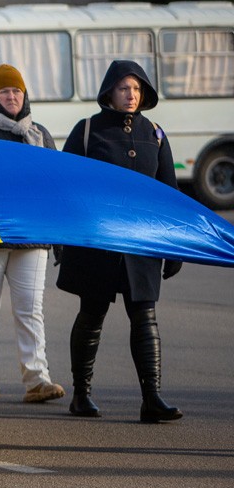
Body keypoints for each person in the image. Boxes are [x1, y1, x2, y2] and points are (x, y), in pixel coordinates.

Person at [57, 60, 184, 423]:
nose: (132, 95)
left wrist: (173, 246)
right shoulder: (87, 131)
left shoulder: (155, 134)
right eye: (125, 88)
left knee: (145, 316)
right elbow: (66, 187)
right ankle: (81, 395)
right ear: (109, 92)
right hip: (96, 242)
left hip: (141, 244)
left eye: (137, 89)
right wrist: (62, 238)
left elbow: (168, 194)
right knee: (92, 314)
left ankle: (152, 398)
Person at [0, 65, 64, 403]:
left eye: (17, 91)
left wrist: (60, 234)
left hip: (32, 236)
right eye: (5, 92)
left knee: (30, 309)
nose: (12, 96)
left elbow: (55, 184)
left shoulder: (40, 135)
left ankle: (37, 378)